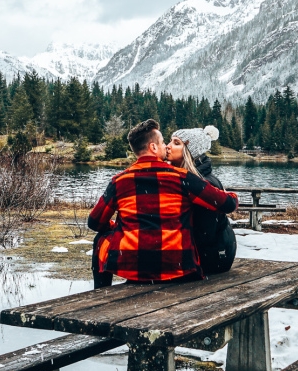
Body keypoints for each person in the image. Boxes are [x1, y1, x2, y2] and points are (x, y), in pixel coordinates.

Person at [88, 118, 238, 287]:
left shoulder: (119, 181)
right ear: (153, 147)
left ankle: (101, 292)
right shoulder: (182, 178)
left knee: (101, 238)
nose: (166, 146)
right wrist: (229, 194)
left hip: (133, 266)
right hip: (179, 268)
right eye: (162, 142)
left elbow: (94, 222)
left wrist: (116, 227)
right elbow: (228, 204)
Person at [166, 126, 237, 275]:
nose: (168, 146)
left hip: (215, 257)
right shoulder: (186, 177)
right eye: (170, 141)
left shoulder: (203, 184)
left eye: (176, 143)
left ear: (190, 152)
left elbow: (205, 234)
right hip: (211, 251)